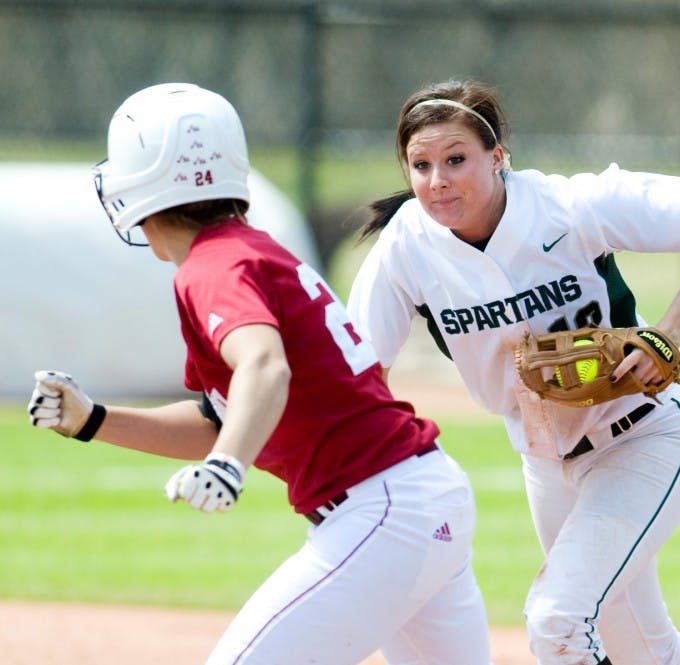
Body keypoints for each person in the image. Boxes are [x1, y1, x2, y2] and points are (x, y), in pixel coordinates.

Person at [26, 82, 492, 665]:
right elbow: (218, 416)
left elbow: (264, 366)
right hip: (419, 499)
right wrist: (94, 419)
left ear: (144, 183)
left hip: (385, 509)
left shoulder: (213, 266)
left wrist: (228, 466)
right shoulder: (246, 249)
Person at [346, 78, 680, 665]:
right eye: (421, 164)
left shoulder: (569, 204)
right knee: (644, 652)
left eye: (457, 159)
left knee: (557, 619)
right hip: (546, 458)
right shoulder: (407, 245)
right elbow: (357, 368)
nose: (439, 180)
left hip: (644, 433)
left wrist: (668, 334)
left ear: (498, 157)